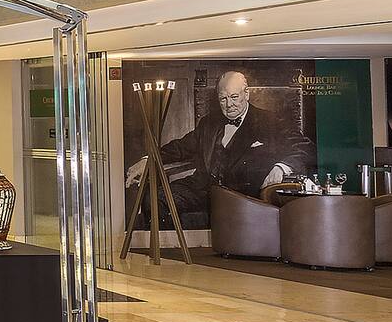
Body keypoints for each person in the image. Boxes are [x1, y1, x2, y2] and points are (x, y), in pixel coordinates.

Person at [125, 71, 311, 228]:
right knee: (156, 199)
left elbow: (304, 147)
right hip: (204, 188)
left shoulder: (271, 121)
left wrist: (281, 167)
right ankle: (172, 252)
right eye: (223, 99)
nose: (229, 105)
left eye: (234, 97)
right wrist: (148, 160)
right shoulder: (209, 122)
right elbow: (180, 147)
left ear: (246, 94)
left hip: (242, 193)